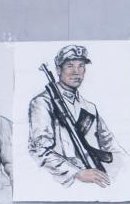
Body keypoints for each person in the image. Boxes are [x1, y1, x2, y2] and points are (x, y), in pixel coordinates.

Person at [28, 44, 120, 188]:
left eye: (81, 66)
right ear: (58, 70)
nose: (76, 72)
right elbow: (39, 150)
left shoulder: (89, 108)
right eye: (70, 66)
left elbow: (111, 146)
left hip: (97, 179)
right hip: (63, 183)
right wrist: (76, 173)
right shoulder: (43, 103)